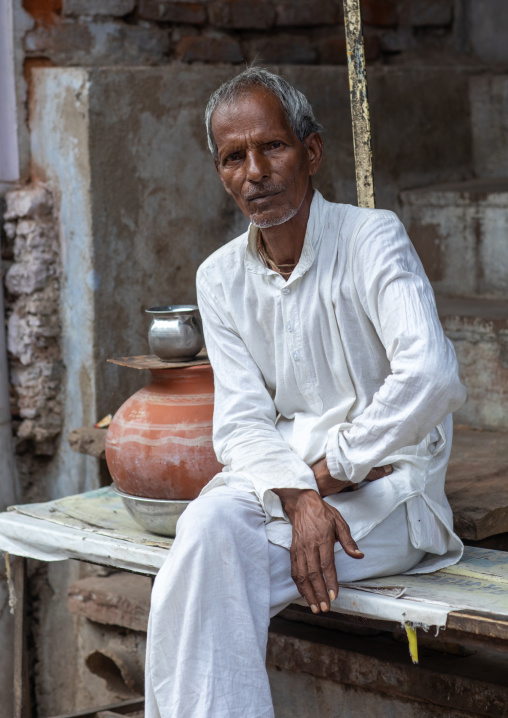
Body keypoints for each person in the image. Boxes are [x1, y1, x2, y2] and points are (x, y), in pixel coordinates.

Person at [145, 68, 466, 718]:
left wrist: (330, 473)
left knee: (207, 576)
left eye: (274, 147)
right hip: (289, 486)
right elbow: (239, 424)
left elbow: (431, 374)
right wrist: (299, 495)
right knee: (203, 527)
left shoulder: (372, 238)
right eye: (234, 157)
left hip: (392, 489)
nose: (255, 171)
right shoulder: (219, 278)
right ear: (220, 173)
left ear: (312, 151)